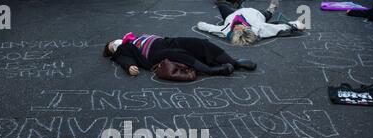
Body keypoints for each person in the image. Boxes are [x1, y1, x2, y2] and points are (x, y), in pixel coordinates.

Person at [103, 32, 257, 77]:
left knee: (196, 42)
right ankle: (211, 70)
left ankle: (234, 62)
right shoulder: (123, 49)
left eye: (112, 42)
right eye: (111, 47)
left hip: (166, 41)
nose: (114, 44)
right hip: (152, 55)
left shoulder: (134, 38)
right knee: (176, 54)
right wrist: (129, 66)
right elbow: (124, 59)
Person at [197, 0, 306, 46]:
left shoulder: (225, 31)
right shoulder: (258, 29)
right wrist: (295, 25)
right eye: (241, 27)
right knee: (266, 15)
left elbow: (208, 27)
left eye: (236, 28)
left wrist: (200, 25)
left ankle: (233, 3)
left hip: (231, 15)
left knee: (221, 5)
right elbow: (277, 28)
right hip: (255, 14)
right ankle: (271, 10)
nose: (237, 26)